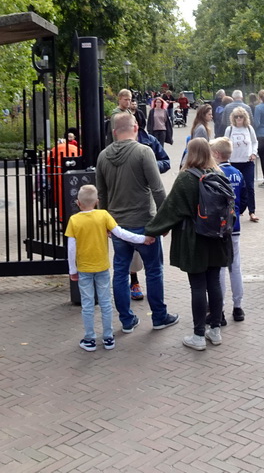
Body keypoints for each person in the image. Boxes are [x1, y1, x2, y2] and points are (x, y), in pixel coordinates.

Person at [145, 137, 234, 351]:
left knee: (197, 286)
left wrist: (153, 231)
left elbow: (170, 209)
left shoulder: (186, 178)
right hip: (218, 238)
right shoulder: (219, 175)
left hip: (195, 240)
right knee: (214, 284)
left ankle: (198, 335)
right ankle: (215, 330)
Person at [96, 113, 179, 333]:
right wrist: (165, 221)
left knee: (121, 271)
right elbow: (157, 188)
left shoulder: (103, 157)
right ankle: (159, 317)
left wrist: (105, 222)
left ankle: (126, 320)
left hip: (117, 225)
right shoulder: (144, 152)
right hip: (144, 223)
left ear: (114, 132)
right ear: (135, 128)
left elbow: (102, 196)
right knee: (153, 270)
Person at [66, 184, 155, 352]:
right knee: (106, 302)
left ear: (78, 203)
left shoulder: (74, 220)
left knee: (87, 303)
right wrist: (142, 239)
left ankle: (90, 338)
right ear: (97, 201)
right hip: (102, 267)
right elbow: (121, 233)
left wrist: (72, 270)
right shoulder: (103, 215)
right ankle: (108, 337)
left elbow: (71, 248)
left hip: (84, 268)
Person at [210, 137, 245, 324]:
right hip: (235, 225)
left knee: (220, 268)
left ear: (216, 154)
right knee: (235, 266)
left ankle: (219, 309)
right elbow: (245, 198)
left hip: (219, 227)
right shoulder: (237, 174)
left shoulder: (214, 175)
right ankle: (238, 307)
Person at [225, 106, 258, 222]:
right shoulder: (230, 129)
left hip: (247, 161)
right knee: (234, 187)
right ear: (233, 118)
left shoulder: (249, 128)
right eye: (236, 116)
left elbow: (254, 142)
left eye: (241, 116)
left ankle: (252, 211)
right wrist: (226, 158)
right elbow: (225, 143)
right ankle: (235, 210)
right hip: (233, 162)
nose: (239, 119)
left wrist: (254, 153)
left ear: (245, 117)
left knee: (249, 186)